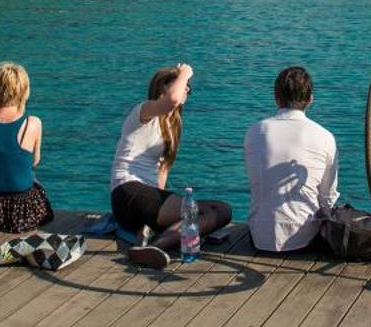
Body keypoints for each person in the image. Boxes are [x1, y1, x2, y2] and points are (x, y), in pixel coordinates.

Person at [109, 63, 232, 268]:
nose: (186, 90)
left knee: (220, 211)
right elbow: (173, 100)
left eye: (188, 88)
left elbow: (162, 170)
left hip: (143, 204)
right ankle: (157, 246)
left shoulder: (171, 125)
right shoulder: (144, 111)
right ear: (164, 87)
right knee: (212, 211)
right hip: (128, 191)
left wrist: (164, 212)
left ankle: (148, 236)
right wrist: (185, 72)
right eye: (184, 85)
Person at [243, 65, 339, 254]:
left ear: (276, 98)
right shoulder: (325, 136)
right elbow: (328, 198)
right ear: (310, 99)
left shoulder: (254, 131)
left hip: (260, 236)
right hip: (305, 239)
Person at [0, 61, 54, 232]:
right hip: (23, 211)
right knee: (35, 185)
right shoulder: (33, 123)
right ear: (24, 91)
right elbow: (34, 161)